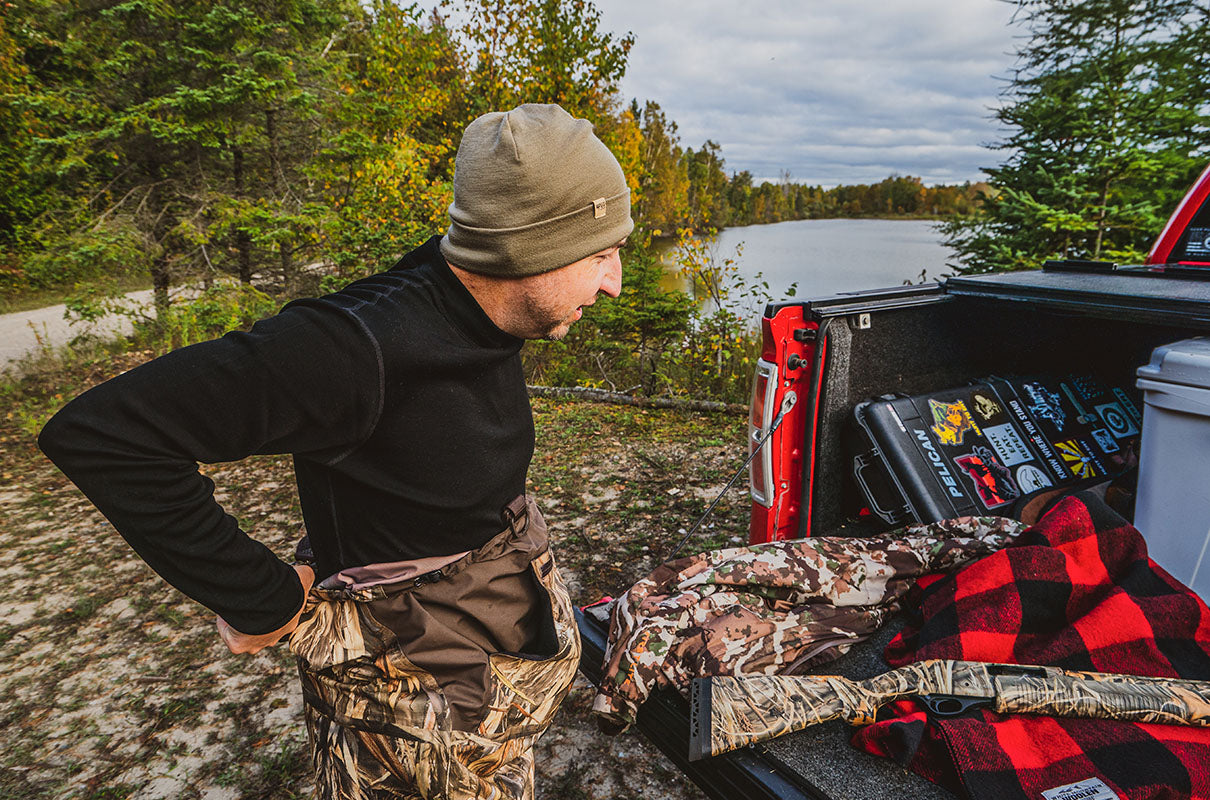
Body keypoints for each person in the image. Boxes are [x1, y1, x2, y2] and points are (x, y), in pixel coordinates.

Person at [38, 103, 633, 800]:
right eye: (599, 255)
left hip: (488, 707)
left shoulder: (481, 305)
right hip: (408, 739)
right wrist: (260, 598)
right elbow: (106, 434)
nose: (614, 282)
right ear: (524, 250)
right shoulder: (356, 347)